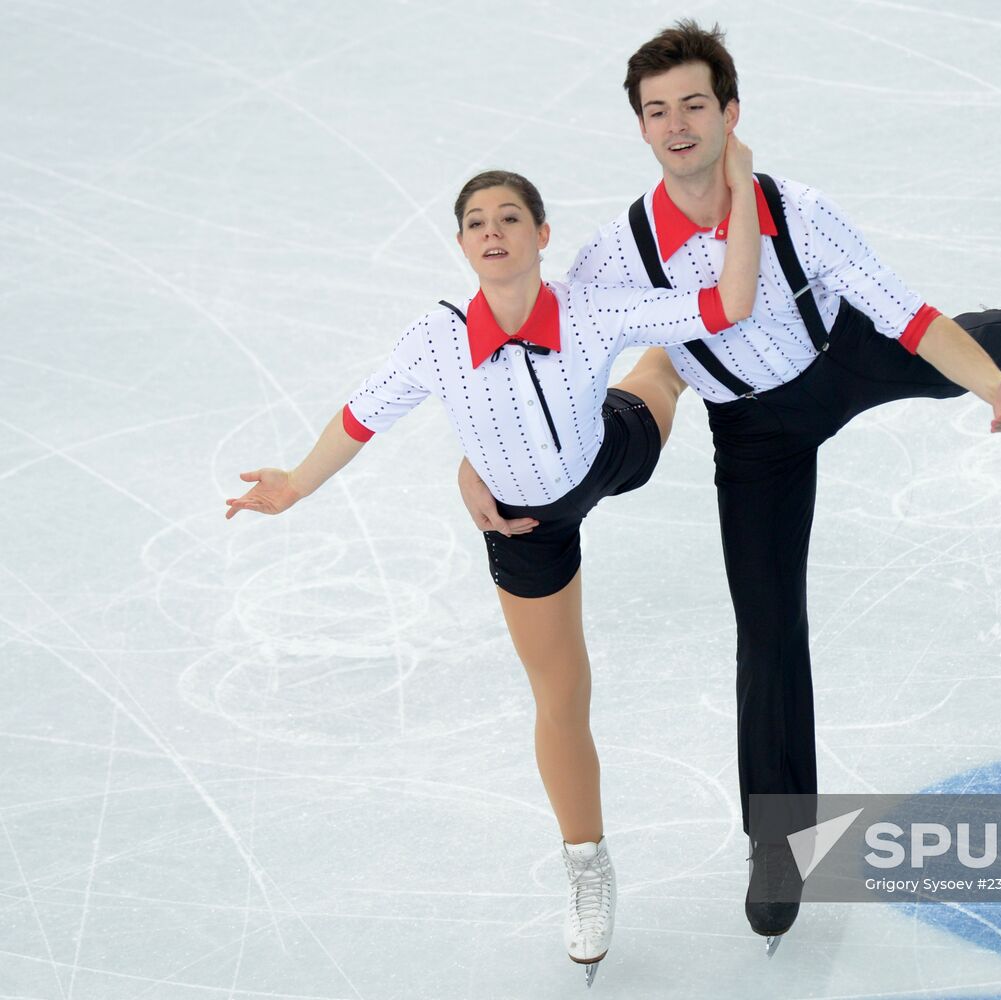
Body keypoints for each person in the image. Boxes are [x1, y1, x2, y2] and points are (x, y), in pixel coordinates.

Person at [456, 20, 1001, 952]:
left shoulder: (796, 207)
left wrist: (987, 388)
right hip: (754, 431)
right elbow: (544, 351)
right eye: (658, 111)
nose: (678, 124)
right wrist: (474, 455)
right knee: (767, 625)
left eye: (695, 104)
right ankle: (777, 840)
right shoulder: (618, 252)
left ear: (730, 113)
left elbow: (905, 313)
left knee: (949, 355)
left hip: (837, 355)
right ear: (641, 129)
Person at [225, 137, 761, 984]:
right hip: (525, 525)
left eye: (510, 216)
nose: (492, 230)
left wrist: (736, 185)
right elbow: (361, 419)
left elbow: (731, 301)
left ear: (543, 234)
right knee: (562, 695)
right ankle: (587, 866)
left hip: (606, 453)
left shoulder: (587, 307)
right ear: (463, 244)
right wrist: (295, 482)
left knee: (656, 384)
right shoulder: (435, 341)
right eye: (476, 221)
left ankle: (665, 362)